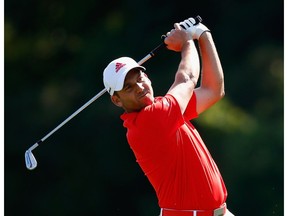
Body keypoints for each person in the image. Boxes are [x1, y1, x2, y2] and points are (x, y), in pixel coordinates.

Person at [103, 17, 234, 216]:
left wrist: (203, 34)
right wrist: (187, 42)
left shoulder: (165, 109)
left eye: (140, 78)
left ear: (147, 76)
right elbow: (187, 78)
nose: (139, 87)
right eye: (128, 87)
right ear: (117, 100)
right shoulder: (150, 121)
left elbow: (213, 90)